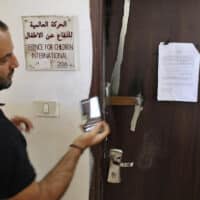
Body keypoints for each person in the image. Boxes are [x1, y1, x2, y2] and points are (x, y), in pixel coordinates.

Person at [0, 20, 110, 200]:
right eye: (5, 58)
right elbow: (42, 196)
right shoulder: (4, 137)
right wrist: (79, 146)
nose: (16, 63)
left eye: (12, 53)